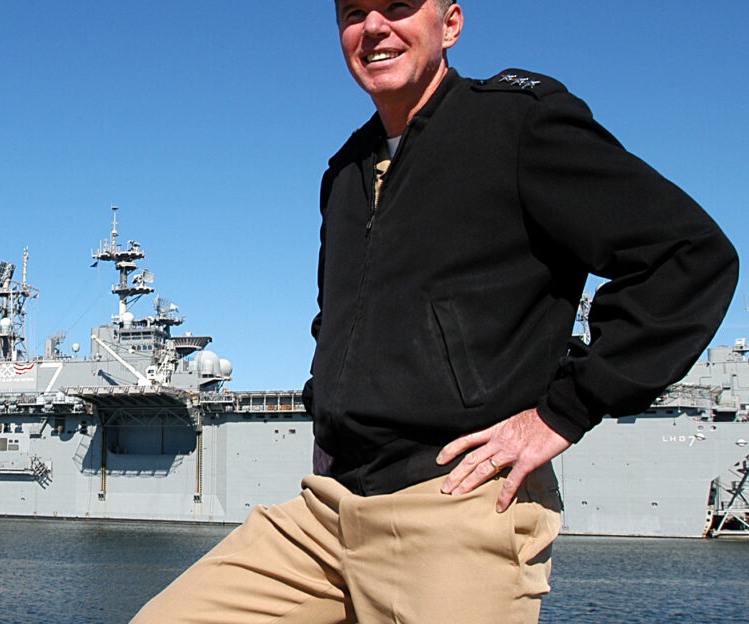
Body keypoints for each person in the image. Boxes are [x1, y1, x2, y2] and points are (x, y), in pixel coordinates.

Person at [132, 1, 738, 623]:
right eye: (352, 12)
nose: (372, 27)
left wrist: (565, 410)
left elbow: (690, 255)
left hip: (453, 502)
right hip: (331, 508)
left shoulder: (517, 126)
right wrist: (327, 405)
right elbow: (338, 315)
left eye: (397, 6)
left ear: (450, 24)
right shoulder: (345, 171)